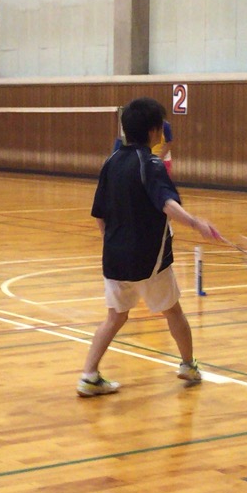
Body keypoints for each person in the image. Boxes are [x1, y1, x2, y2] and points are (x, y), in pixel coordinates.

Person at [79, 97, 222, 398]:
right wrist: (197, 224)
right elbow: (167, 204)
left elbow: (99, 216)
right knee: (173, 311)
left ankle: (89, 375)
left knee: (115, 317)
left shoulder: (111, 162)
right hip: (148, 261)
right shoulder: (152, 164)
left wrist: (113, 245)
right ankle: (188, 364)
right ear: (155, 131)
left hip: (114, 259)